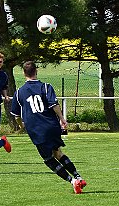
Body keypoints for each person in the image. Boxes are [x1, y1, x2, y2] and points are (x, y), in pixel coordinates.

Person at [10, 61, 87, 194]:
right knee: (58, 152)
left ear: (24, 73)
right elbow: (54, 105)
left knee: (48, 159)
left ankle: (73, 181)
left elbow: (16, 115)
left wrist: (22, 125)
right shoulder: (46, 87)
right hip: (51, 126)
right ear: (36, 71)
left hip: (36, 130)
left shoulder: (19, 92)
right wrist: (62, 119)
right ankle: (78, 176)